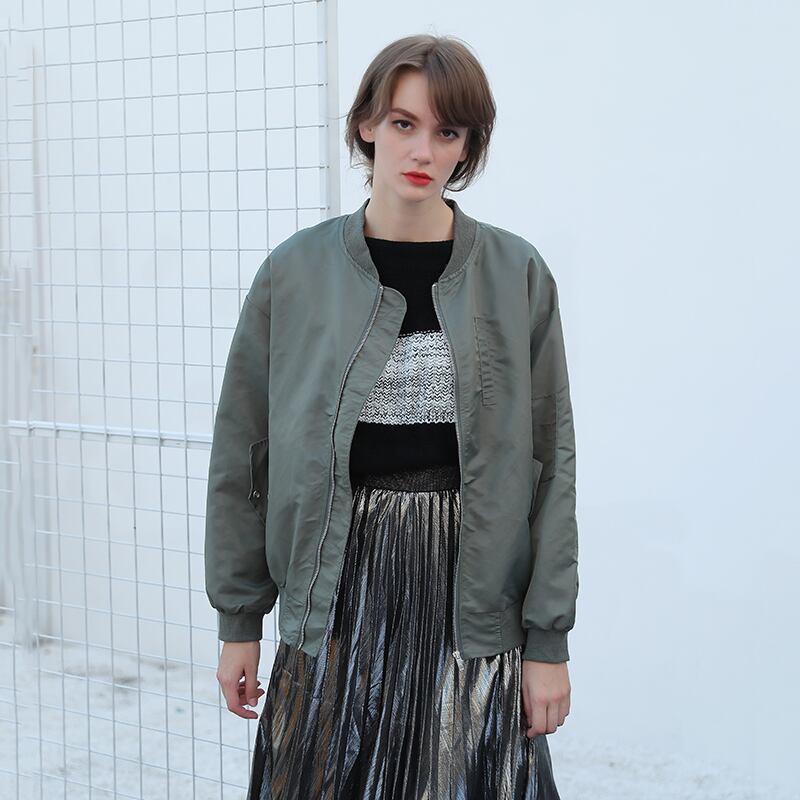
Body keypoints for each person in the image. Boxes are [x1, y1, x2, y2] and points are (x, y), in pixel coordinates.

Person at [205, 33, 579, 800]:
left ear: (468, 145)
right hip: (337, 589)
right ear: (367, 124)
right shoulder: (293, 273)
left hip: (469, 595)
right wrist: (240, 622)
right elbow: (244, 454)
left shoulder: (516, 273)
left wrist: (548, 642)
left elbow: (551, 465)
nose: (423, 150)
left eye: (448, 131)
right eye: (404, 123)